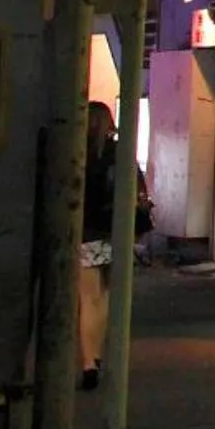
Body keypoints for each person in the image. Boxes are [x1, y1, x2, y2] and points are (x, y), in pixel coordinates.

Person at [78, 100, 150, 391]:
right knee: (106, 296)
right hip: (115, 232)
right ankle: (97, 354)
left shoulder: (75, 153)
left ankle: (88, 362)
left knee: (86, 298)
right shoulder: (119, 153)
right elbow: (137, 191)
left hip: (83, 232)